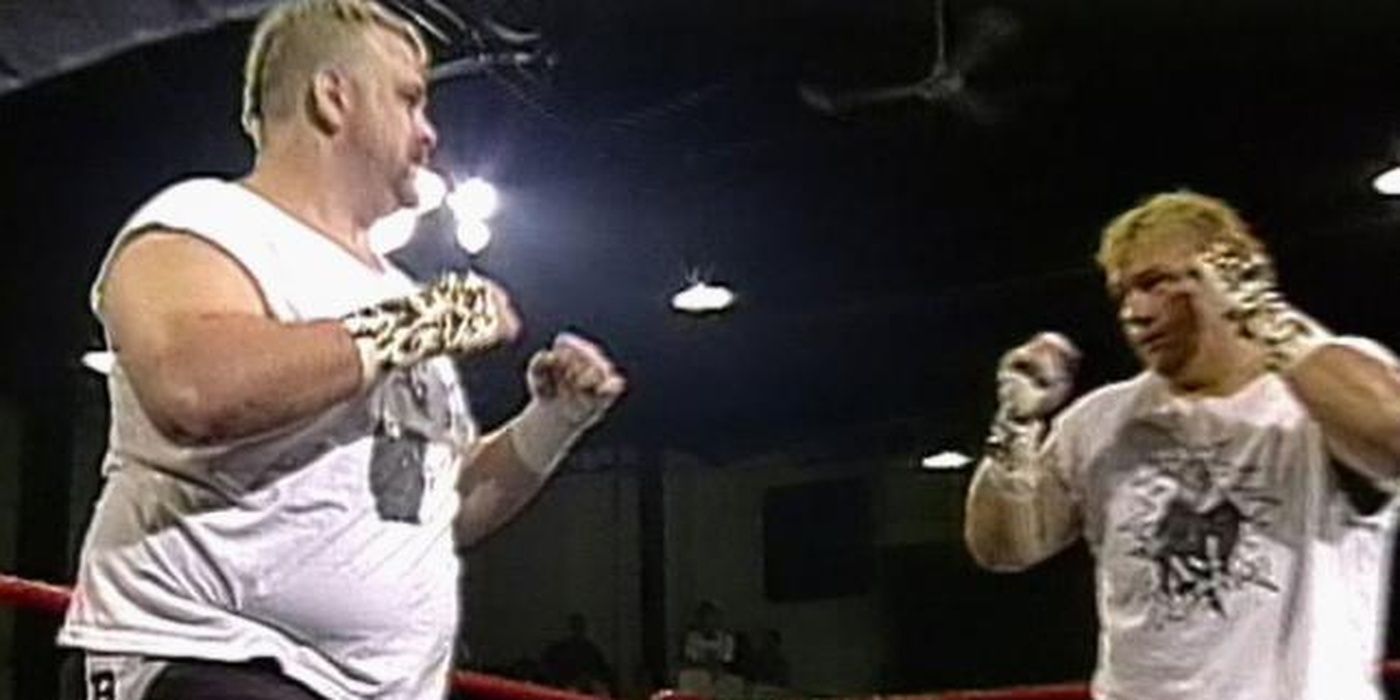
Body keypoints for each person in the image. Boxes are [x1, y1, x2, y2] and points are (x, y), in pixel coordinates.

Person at [55, 1, 626, 699]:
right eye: (409, 99)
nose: (429, 132)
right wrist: (419, 323)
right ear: (333, 97)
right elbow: (194, 390)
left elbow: (428, 506)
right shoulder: (204, 221)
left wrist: (555, 421)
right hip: (212, 658)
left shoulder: (396, 291)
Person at [963, 191, 1400, 700]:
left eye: (1155, 284)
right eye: (1122, 294)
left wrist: (1263, 315)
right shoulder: (1102, 419)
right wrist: (1015, 426)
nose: (1134, 312)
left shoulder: (1318, 392)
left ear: (1229, 272)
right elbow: (1003, 549)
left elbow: (1391, 436)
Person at [541, 613, 615, 695]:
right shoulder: (558, 650)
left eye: (580, 628)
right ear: (569, 629)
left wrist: (591, 681)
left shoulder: (591, 650)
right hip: (565, 689)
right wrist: (563, 684)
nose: (577, 631)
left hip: (588, 690)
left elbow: (602, 671)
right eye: (574, 627)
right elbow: (547, 668)